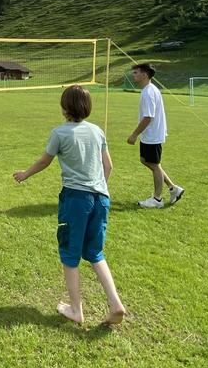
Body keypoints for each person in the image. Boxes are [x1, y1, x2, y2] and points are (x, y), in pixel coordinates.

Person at [13, 85, 125, 327]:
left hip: (76, 200)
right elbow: (109, 166)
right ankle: (115, 303)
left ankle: (76, 310)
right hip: (101, 198)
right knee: (95, 253)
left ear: (64, 108)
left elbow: (45, 161)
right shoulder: (97, 131)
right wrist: (99, 188)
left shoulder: (60, 133)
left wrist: (25, 174)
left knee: (70, 254)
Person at [126, 62, 184, 208]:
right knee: (146, 160)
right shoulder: (149, 90)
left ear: (144, 75)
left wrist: (134, 134)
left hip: (152, 135)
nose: (134, 75)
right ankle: (173, 188)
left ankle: (157, 199)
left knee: (154, 165)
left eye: (136, 73)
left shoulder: (148, 92)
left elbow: (148, 117)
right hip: (150, 134)